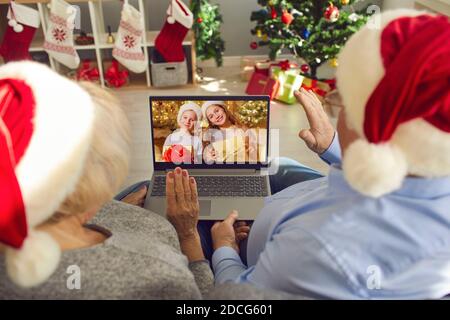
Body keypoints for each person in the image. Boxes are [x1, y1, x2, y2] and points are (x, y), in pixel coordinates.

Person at [170, 10, 450, 299]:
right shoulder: (433, 168)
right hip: (291, 205)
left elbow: (233, 295)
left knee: (164, 202)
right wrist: (335, 148)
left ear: (369, 129)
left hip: (247, 250)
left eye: (341, 101)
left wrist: (221, 246)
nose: (337, 110)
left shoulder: (318, 251)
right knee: (279, 166)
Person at [0, 61, 213, 299]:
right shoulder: (157, 270)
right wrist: (188, 235)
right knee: (208, 224)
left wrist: (115, 209)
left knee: (142, 187)